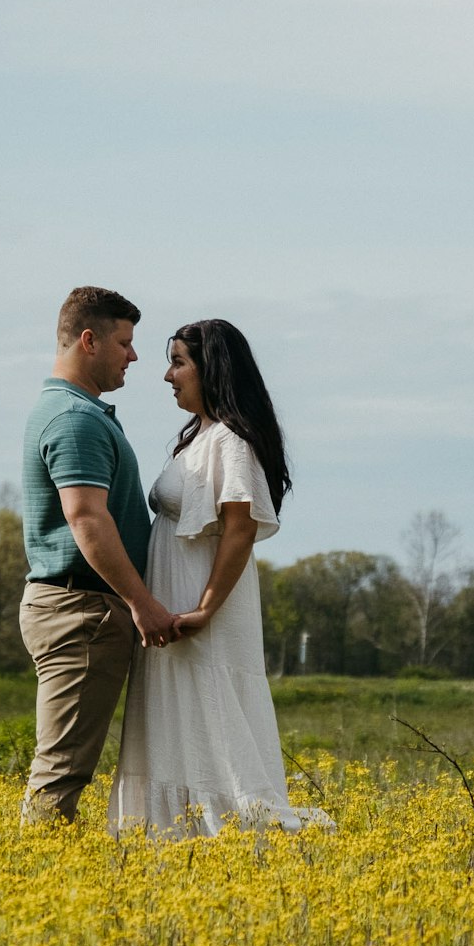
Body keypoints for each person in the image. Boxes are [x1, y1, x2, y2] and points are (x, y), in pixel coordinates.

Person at [109, 318, 336, 837]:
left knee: (208, 714)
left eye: (179, 362)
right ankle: (179, 837)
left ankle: (230, 836)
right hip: (176, 604)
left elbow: (240, 528)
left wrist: (206, 608)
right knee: (177, 720)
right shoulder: (201, 438)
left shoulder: (231, 441)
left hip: (198, 608)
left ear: (212, 370)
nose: (168, 376)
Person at [19, 287, 176, 825]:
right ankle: (35, 882)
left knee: (64, 765)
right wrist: (142, 603)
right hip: (81, 611)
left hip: (80, 608)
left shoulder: (76, 412)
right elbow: (86, 518)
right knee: (62, 771)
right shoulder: (75, 419)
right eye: (125, 342)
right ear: (89, 341)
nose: (134, 356)